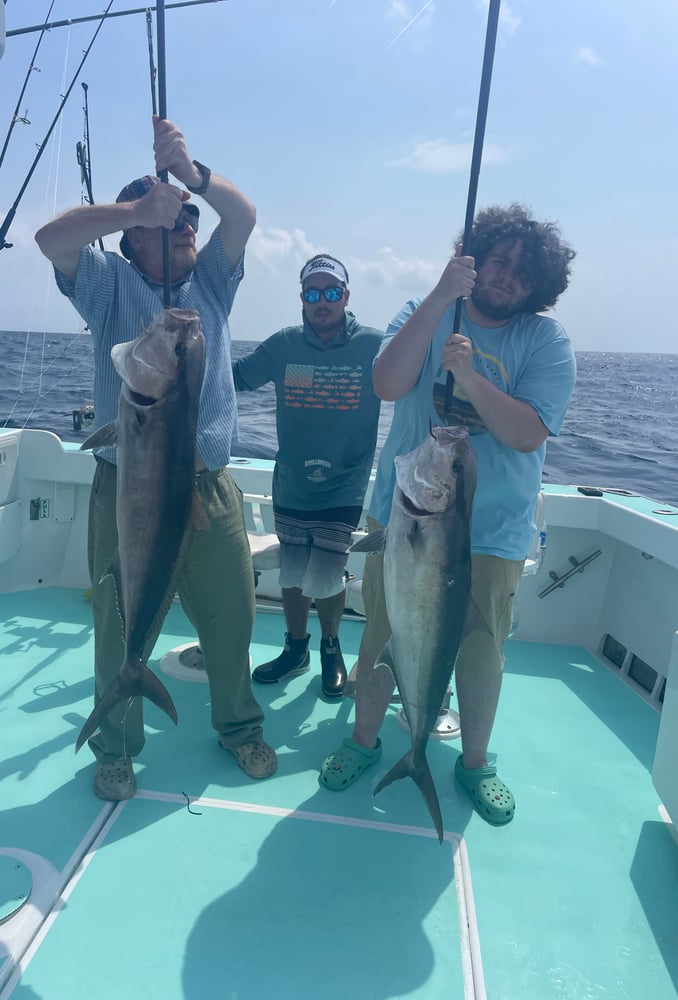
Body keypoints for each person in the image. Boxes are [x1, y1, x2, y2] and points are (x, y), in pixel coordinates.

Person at [35, 116, 277, 800]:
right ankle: (116, 744)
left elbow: (245, 214)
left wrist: (194, 175)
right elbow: (51, 239)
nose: (186, 227)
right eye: (170, 221)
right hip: (128, 485)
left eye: (188, 219)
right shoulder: (107, 283)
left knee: (232, 617)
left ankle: (239, 726)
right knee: (117, 623)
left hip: (209, 483)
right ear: (134, 237)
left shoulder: (212, 286)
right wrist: (135, 206)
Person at [319, 203, 577, 826]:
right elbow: (386, 382)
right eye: (499, 260)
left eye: (523, 271)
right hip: (404, 519)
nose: (508, 276)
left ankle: (475, 761)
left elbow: (525, 433)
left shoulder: (545, 340)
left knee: (481, 649)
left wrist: (466, 373)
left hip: (492, 533)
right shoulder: (424, 310)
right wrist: (440, 295)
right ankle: (366, 740)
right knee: (385, 635)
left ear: (539, 286)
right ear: (474, 257)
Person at [233, 255, 382, 698]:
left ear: (346, 297)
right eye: (313, 294)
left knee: (328, 573)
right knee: (293, 571)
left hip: (345, 482)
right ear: (302, 298)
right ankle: (296, 647)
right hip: (293, 481)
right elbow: (234, 378)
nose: (323, 302)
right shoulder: (283, 345)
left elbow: (412, 375)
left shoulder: (375, 344)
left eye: (331, 293)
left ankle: (330, 649)